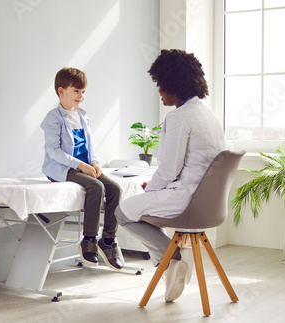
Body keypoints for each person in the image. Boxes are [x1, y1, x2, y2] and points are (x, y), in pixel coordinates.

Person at [115, 49, 225, 301]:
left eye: (160, 85)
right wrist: (158, 186)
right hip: (209, 204)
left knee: (122, 212)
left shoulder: (178, 118)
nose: (159, 91)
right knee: (139, 206)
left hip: (186, 202)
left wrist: (150, 188)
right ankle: (171, 265)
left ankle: (172, 260)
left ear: (173, 84)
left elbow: (168, 170)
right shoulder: (209, 115)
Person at [40, 67, 123, 271]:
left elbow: (89, 146)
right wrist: (80, 165)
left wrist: (94, 162)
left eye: (83, 91)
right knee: (96, 187)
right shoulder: (53, 118)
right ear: (61, 91)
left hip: (85, 166)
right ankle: (89, 241)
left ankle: (108, 240)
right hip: (64, 169)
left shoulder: (83, 116)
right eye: (76, 91)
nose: (81, 96)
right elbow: (54, 151)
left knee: (115, 188)